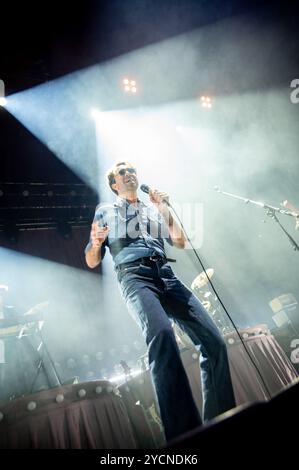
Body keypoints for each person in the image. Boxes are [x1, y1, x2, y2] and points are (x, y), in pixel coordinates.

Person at [85, 161, 236, 442]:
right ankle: (184, 435)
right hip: (135, 277)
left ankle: (219, 418)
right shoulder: (105, 211)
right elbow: (91, 260)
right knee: (162, 334)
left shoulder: (152, 210)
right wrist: (95, 243)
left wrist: (165, 209)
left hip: (167, 275)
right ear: (114, 184)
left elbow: (180, 241)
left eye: (132, 170)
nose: (130, 174)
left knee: (215, 342)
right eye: (122, 172)